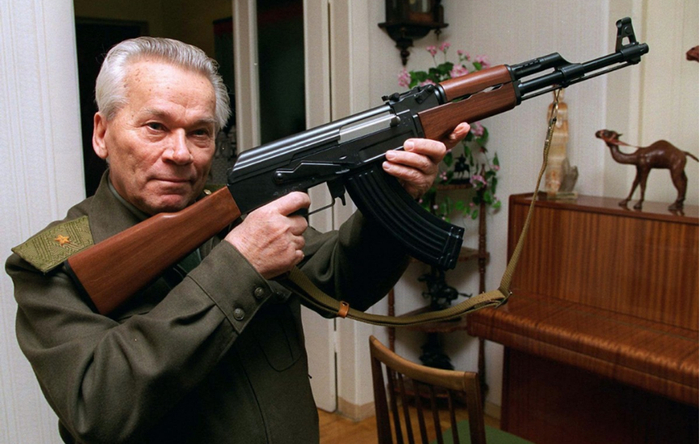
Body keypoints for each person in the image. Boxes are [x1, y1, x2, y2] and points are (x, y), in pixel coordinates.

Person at [6, 37, 469, 444]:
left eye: (200, 132)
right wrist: (240, 263)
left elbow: (345, 281)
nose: (180, 153)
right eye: (155, 127)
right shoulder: (57, 263)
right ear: (102, 134)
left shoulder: (237, 211)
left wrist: (394, 195)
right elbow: (95, 409)